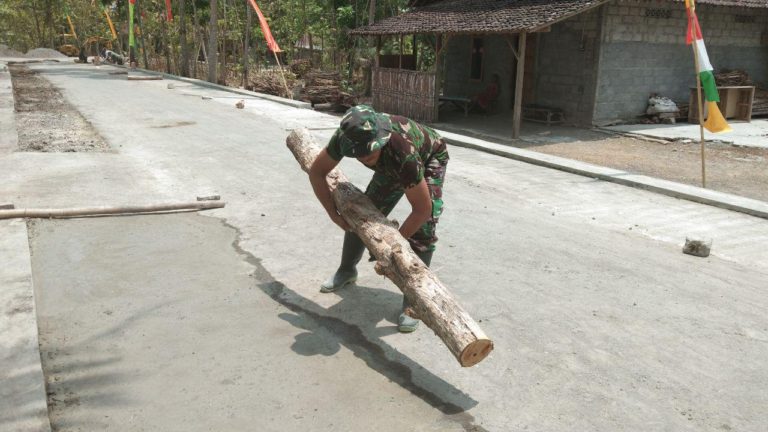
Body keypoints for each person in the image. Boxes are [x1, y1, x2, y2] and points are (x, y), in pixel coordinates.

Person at [309, 105, 449, 333]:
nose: (366, 158)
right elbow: (317, 172)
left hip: (430, 154)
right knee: (362, 214)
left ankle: (413, 303)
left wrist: (391, 248)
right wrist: (333, 214)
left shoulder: (402, 151)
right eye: (359, 154)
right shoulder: (345, 137)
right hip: (393, 162)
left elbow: (421, 209)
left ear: (381, 139)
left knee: (424, 230)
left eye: (371, 152)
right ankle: (347, 270)